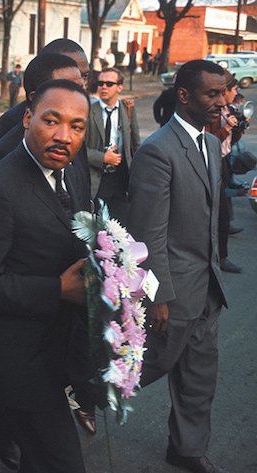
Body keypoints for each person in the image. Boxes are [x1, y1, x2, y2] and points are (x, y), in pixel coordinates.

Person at [0, 79, 91, 473]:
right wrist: (57, 290)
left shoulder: (69, 172)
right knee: (62, 462)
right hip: (19, 363)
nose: (64, 136)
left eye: (77, 126)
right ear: (29, 118)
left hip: (54, 349)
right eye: (52, 121)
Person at [127, 59, 228, 473]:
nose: (222, 102)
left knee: (199, 376)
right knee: (139, 369)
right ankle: (55, 402)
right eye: (212, 94)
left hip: (207, 288)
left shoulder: (208, 142)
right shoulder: (158, 151)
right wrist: (158, 297)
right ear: (184, 96)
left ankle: (186, 450)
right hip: (172, 294)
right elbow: (148, 235)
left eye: (224, 92)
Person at [0, 53, 83, 182]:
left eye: (80, 88)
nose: (79, 97)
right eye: (66, 89)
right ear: (36, 98)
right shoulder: (2, 160)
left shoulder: (75, 137)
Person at [0, 38, 91, 145]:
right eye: (69, 82)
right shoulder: (12, 122)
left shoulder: (84, 116)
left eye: (84, 77)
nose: (82, 87)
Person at [86, 67, 140, 223]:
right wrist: (103, 158)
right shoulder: (89, 111)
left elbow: (136, 145)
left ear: (119, 87)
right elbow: (79, 149)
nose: (103, 87)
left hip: (120, 180)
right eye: (100, 83)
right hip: (96, 180)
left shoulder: (128, 109)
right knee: (96, 228)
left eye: (109, 83)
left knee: (120, 228)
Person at [205, 70, 244, 274]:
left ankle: (221, 256)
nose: (235, 93)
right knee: (218, 213)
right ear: (225, 90)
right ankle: (221, 258)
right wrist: (227, 128)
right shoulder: (212, 112)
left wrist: (237, 128)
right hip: (213, 162)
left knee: (223, 210)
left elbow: (232, 141)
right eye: (234, 89)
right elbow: (210, 141)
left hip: (224, 161)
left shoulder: (228, 109)